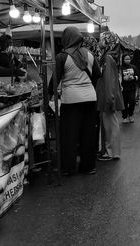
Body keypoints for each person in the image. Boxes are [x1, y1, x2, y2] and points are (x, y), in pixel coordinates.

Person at [54, 26, 101, 175]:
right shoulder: (90, 54)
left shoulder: (62, 56)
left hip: (71, 101)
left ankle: (68, 168)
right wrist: (88, 87)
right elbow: (97, 74)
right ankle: (88, 167)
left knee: (69, 134)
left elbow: (54, 80)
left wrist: (48, 93)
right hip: (90, 98)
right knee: (88, 133)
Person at [96, 31, 124, 161]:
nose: (99, 42)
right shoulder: (110, 56)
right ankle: (110, 151)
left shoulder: (107, 58)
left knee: (109, 126)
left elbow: (109, 80)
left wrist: (109, 98)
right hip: (108, 96)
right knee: (110, 124)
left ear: (108, 42)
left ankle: (111, 152)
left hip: (107, 97)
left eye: (102, 40)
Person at [120, 54, 139, 123]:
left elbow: (138, 76)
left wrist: (133, 78)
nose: (128, 60)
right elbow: (118, 78)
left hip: (132, 88)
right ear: (123, 60)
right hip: (123, 88)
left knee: (132, 101)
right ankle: (124, 117)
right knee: (124, 102)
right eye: (126, 59)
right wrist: (123, 78)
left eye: (129, 59)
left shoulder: (133, 67)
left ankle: (130, 114)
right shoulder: (120, 68)